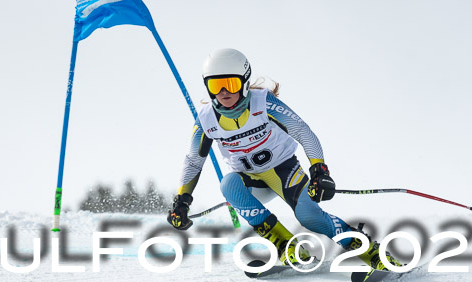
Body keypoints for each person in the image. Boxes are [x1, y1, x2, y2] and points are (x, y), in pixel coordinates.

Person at [167, 48, 400, 270]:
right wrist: (182, 201)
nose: (223, 92)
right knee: (228, 184)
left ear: (245, 81)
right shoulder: (206, 120)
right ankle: (286, 246)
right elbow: (193, 162)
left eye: (230, 84)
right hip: (251, 182)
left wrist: (319, 170)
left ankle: (370, 252)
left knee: (310, 217)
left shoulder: (262, 102)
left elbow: (302, 131)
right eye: (215, 85)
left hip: (283, 171)